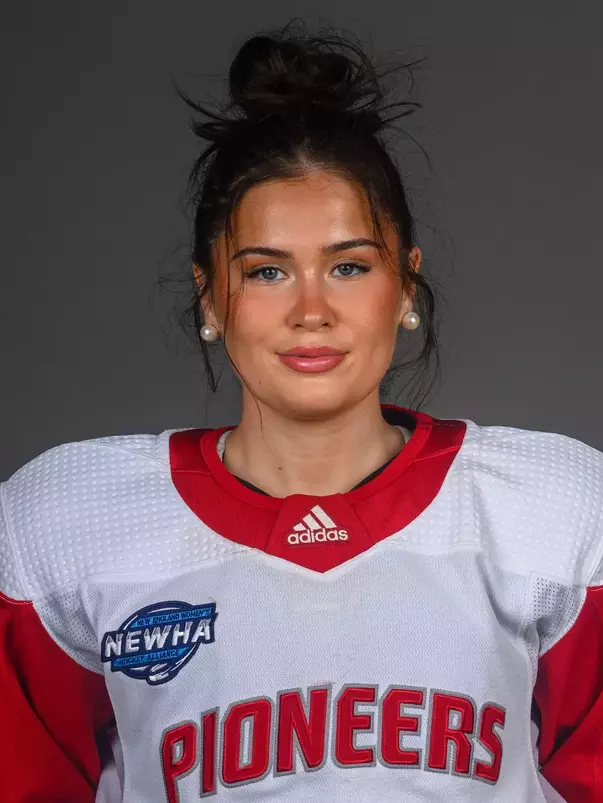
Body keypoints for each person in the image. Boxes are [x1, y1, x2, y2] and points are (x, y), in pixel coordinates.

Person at [1, 20, 602, 803]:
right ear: (210, 294)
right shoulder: (67, 520)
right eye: (267, 271)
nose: (311, 309)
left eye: (349, 265)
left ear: (405, 286)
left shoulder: (558, 510)